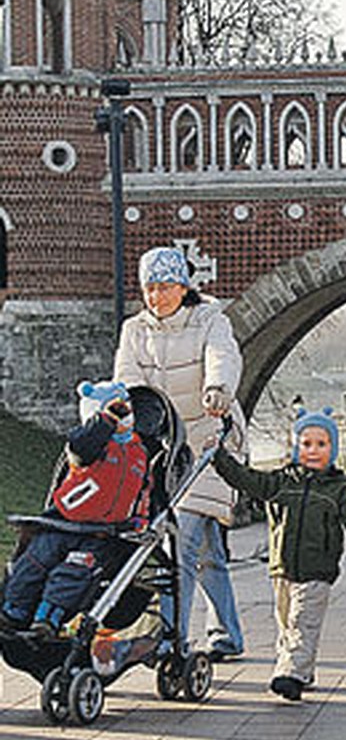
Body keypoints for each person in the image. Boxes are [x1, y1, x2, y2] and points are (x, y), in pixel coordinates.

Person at [113, 246, 246, 661]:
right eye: (150, 288)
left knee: (181, 539)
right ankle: (228, 634)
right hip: (165, 445)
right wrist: (125, 408)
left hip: (210, 438)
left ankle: (170, 638)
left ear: (183, 285)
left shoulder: (209, 319)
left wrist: (219, 389)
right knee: (206, 549)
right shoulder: (134, 330)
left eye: (165, 286)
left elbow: (222, 355)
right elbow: (127, 376)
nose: (157, 297)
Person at [210, 406, 346, 701]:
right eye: (307, 443)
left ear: (333, 449)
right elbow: (248, 480)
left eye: (322, 444)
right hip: (282, 568)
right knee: (287, 623)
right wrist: (220, 459)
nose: (313, 450)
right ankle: (302, 669)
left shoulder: (338, 489)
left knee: (303, 622)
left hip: (317, 570)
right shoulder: (282, 482)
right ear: (296, 446)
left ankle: (291, 674)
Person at [0, 381, 149, 637]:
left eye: (125, 408)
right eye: (116, 409)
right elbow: (79, 448)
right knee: (35, 561)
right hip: (63, 521)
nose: (123, 414)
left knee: (75, 571)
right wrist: (105, 421)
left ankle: (48, 617)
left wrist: (141, 520)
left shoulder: (139, 452)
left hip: (101, 532)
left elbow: (143, 491)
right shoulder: (91, 445)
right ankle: (13, 611)